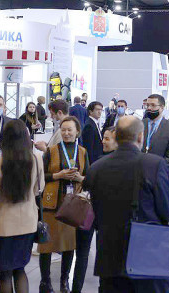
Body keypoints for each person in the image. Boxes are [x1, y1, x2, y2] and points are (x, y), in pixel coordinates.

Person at [85, 116, 169, 293]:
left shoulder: (96, 168)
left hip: (109, 253)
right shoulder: (154, 164)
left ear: (116, 136)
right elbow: (168, 212)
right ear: (140, 136)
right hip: (148, 253)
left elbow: (94, 212)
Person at [0, 119, 45, 293]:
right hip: (28, 223)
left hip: (2, 226)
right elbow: (38, 189)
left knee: (5, 274)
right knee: (20, 270)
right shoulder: (37, 159)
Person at [38, 116, 89, 293]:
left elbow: (88, 177)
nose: (66, 133)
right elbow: (40, 176)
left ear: (77, 132)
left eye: (70, 130)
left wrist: (79, 178)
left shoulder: (82, 152)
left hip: (72, 205)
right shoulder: (51, 151)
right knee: (46, 245)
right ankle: (45, 281)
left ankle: (64, 280)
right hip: (51, 203)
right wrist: (58, 175)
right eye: (63, 129)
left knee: (69, 244)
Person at [74, 101, 104, 293]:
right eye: (97, 110)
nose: (100, 112)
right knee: (83, 249)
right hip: (89, 199)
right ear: (90, 111)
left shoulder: (96, 125)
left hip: (102, 205)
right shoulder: (89, 126)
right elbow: (90, 152)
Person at [142, 94, 169, 167]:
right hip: (139, 170)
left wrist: (156, 167)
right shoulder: (140, 124)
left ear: (162, 107)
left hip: (159, 170)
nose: (149, 108)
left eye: (153, 105)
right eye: (147, 105)